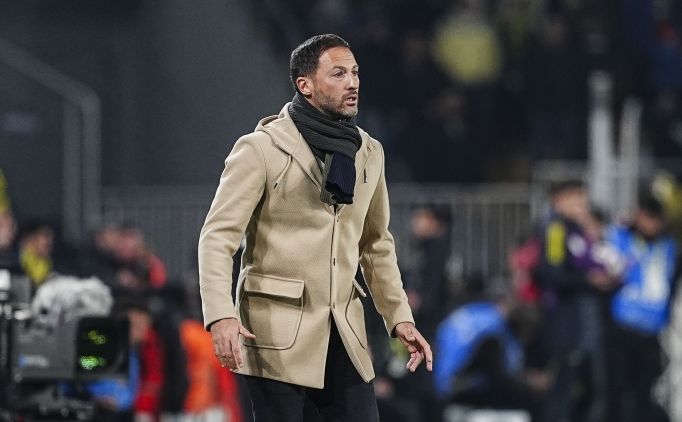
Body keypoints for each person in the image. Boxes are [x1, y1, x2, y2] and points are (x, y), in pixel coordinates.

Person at [198, 34, 432, 422]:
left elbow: (375, 244)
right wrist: (220, 314)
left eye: (355, 73)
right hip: (275, 332)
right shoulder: (260, 148)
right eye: (338, 74)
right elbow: (217, 237)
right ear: (305, 85)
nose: (352, 83)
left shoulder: (369, 152)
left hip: (344, 331)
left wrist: (399, 317)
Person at [605, 194, 679, 422]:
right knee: (617, 391)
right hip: (622, 327)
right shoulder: (621, 237)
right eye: (648, 217)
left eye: (657, 219)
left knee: (645, 392)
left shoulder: (668, 246)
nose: (652, 224)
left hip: (651, 331)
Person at [434, 295, 547, 421]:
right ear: (525, 329)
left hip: (443, 373)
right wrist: (530, 383)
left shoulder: (488, 315)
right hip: (454, 390)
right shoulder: (493, 337)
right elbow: (497, 376)